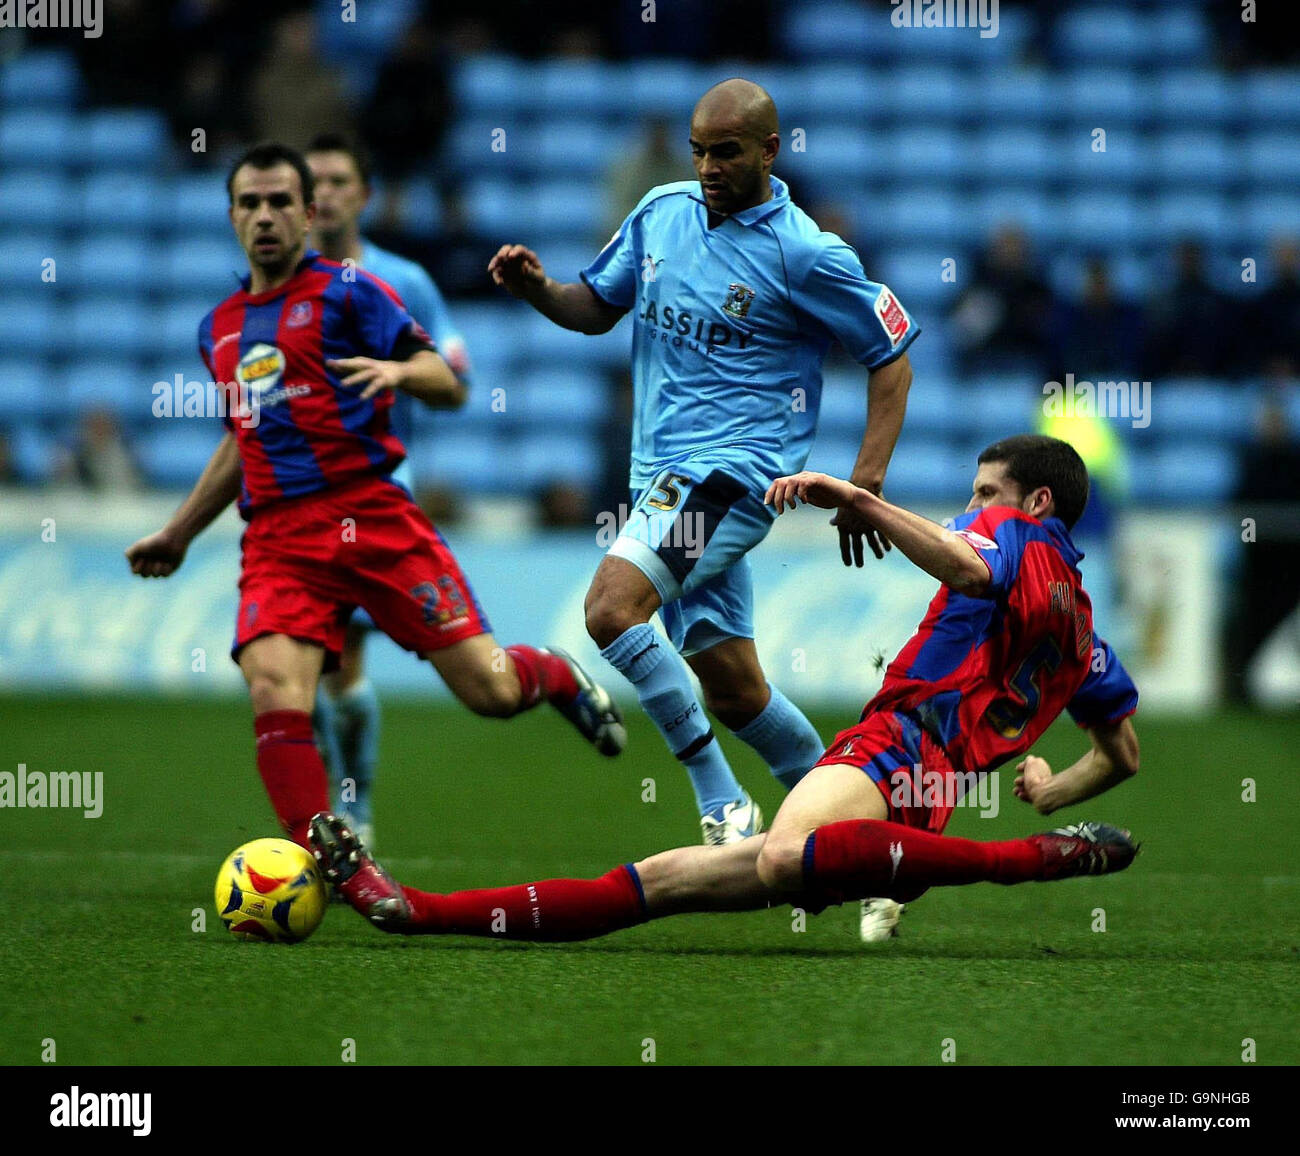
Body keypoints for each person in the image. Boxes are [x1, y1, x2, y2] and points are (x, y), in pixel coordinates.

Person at [312, 435, 1141, 944]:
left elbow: (966, 562)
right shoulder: (1086, 637)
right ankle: (415, 910)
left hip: (895, 747)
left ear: (1035, 503)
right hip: (931, 797)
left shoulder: (1016, 535)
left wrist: (854, 495)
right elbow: (1122, 753)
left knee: (779, 856)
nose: (971, 507)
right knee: (665, 883)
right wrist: (1051, 789)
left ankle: (1030, 864)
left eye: (984, 493)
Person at [124, 143, 625, 849]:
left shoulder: (351, 290)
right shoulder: (220, 328)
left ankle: (553, 676)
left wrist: (397, 374)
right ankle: (327, 855)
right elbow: (244, 438)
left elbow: (446, 380)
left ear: (308, 212)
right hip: (280, 539)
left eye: (279, 203)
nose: (265, 217)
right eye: (249, 203)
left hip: (373, 515)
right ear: (232, 215)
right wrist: (179, 533)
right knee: (275, 686)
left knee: (492, 694)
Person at [488, 78, 918, 845]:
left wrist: (867, 483)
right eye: (698, 151)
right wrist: (538, 291)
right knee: (736, 690)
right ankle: (868, 839)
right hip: (660, 479)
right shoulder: (660, 213)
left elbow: (891, 358)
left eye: (725, 151)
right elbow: (595, 307)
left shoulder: (807, 253)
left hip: (732, 479)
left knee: (611, 610)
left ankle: (722, 802)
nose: (709, 166)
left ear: (769, 150)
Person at [304, 133, 471, 847]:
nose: (325, 194)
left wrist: (402, 372)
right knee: (309, 665)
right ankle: (340, 816)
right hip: (295, 496)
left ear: (365, 195)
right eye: (312, 183)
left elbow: (457, 384)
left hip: (376, 492)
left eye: (339, 180)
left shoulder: (407, 281)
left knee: (345, 660)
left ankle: (357, 812)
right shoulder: (278, 284)